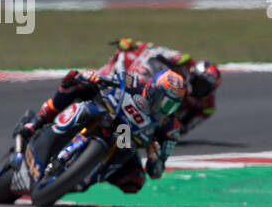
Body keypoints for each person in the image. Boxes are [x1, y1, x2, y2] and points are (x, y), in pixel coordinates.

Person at [16, 67, 185, 194]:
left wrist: (155, 157)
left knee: (134, 181)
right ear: (152, 89)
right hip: (105, 112)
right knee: (72, 80)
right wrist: (93, 78)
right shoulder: (135, 81)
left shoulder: (171, 126)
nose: (164, 106)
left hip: (125, 139)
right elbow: (109, 78)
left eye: (170, 104)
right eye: (162, 99)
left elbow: (156, 172)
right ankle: (37, 121)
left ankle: (85, 175)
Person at [100, 38, 221, 133]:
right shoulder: (184, 61)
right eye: (198, 82)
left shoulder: (207, 106)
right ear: (192, 72)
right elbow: (155, 51)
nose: (198, 88)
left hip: (161, 115)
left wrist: (165, 123)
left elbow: (184, 127)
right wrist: (136, 46)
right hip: (151, 85)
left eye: (204, 87)